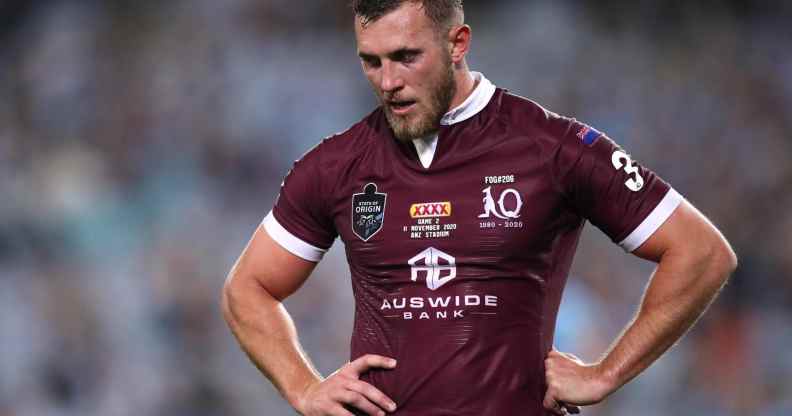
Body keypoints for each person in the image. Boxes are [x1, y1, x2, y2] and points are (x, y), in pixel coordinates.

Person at [221, 1, 737, 415]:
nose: (387, 81)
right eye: (371, 61)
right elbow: (248, 288)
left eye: (406, 56)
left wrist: (606, 373)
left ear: (458, 43)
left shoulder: (553, 147)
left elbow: (701, 253)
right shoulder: (336, 165)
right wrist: (304, 389)